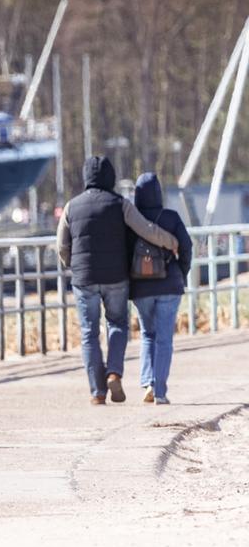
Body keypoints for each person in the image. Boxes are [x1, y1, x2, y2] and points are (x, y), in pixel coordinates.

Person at [57, 156, 178, 405]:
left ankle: (97, 392)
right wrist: (171, 241)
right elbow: (146, 229)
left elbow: (61, 245)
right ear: (110, 178)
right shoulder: (120, 204)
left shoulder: (71, 206)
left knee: (89, 333)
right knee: (118, 325)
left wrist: (73, 265)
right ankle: (114, 372)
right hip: (116, 277)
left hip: (84, 278)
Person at [130, 172, 192, 405]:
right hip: (169, 284)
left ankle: (148, 382)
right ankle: (160, 391)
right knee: (164, 339)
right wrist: (181, 273)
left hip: (141, 287)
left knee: (148, 334)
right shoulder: (171, 217)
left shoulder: (132, 220)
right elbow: (186, 247)